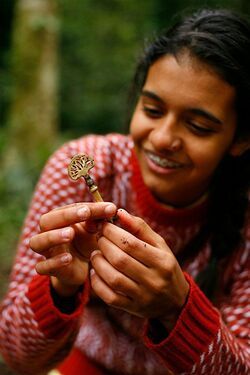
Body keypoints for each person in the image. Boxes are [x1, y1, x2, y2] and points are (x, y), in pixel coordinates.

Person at [0, 7, 249, 375]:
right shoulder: (82, 166)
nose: (162, 139)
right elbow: (16, 354)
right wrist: (60, 288)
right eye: (152, 109)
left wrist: (176, 306)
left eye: (197, 126)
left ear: (241, 139)